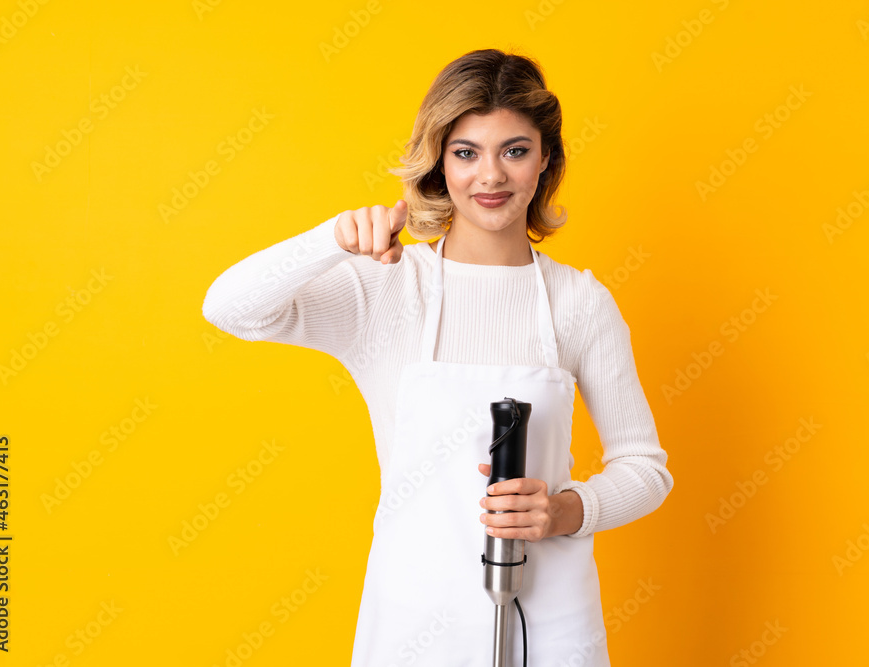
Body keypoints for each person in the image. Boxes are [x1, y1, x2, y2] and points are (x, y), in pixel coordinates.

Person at [202, 48, 673, 667]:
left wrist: (565, 510)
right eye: (466, 152)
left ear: (545, 162)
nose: (491, 176)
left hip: (550, 614)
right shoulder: (388, 287)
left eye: (515, 150)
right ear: (439, 164)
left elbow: (646, 468)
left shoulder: (578, 301)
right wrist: (332, 239)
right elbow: (231, 308)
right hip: (415, 617)